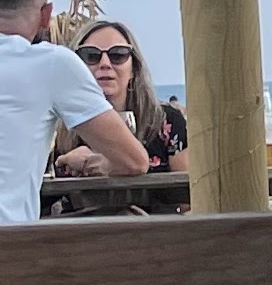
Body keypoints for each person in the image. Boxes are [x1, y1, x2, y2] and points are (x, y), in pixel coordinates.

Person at [0, 0, 151, 221]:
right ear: (46, 15)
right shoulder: (51, 64)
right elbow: (134, 161)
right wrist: (94, 161)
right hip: (11, 239)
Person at [52, 14, 188, 176]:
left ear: (134, 69)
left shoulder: (166, 121)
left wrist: (94, 163)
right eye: (91, 55)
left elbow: (189, 188)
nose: (105, 64)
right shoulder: (59, 130)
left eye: (117, 55)